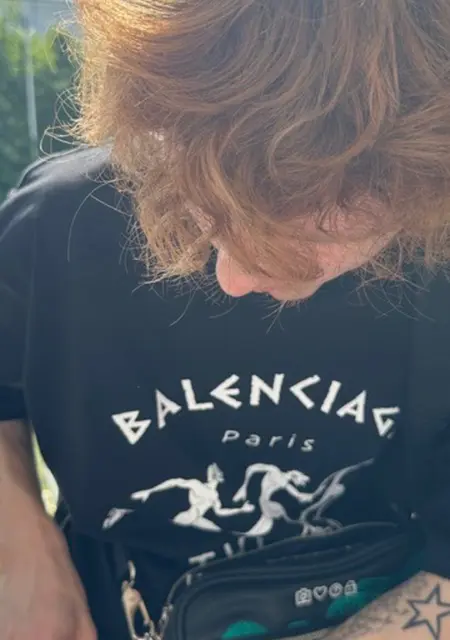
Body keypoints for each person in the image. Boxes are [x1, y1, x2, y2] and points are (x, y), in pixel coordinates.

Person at [2, 0, 450, 639]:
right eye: (203, 214)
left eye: (299, 244)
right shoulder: (58, 222)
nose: (232, 278)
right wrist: (21, 543)